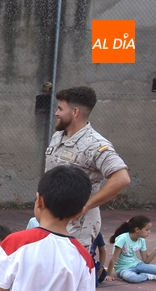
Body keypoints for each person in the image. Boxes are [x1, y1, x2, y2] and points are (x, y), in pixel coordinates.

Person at [45, 86, 130, 249]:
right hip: (52, 218)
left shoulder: (95, 144)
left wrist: (87, 205)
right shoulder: (58, 136)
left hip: (76, 225)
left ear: (75, 112)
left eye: (60, 109)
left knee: (71, 271)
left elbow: (122, 178)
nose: (56, 113)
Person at [106, 215, 156, 283]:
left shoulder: (141, 240)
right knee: (133, 278)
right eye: (147, 230)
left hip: (138, 265)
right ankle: (147, 276)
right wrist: (108, 274)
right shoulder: (123, 238)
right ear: (137, 229)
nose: (149, 232)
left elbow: (146, 260)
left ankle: (142, 273)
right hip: (123, 268)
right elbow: (114, 259)